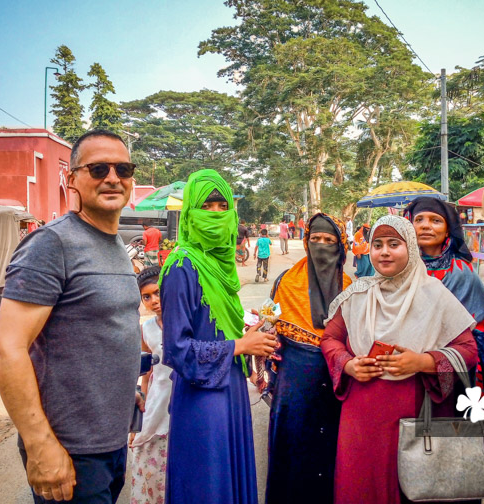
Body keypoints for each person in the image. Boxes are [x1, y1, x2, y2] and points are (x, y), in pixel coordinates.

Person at [0, 129, 142, 504]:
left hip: (111, 444)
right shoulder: (52, 244)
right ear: (71, 179)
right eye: (98, 168)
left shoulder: (115, 245)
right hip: (71, 451)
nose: (112, 177)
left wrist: (130, 390)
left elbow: (104, 331)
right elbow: (7, 350)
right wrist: (40, 445)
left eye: (122, 168)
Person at [321, 215, 478, 504]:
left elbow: (468, 350)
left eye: (394, 244)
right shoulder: (357, 294)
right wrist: (348, 363)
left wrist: (423, 362)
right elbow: (330, 338)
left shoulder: (434, 295)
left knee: (410, 486)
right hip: (361, 415)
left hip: (415, 411)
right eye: (377, 244)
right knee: (360, 485)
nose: (384, 252)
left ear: (411, 249)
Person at [160, 169, 277, 504]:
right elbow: (177, 349)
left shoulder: (220, 266)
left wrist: (250, 336)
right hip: (202, 398)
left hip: (232, 388)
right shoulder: (182, 268)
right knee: (208, 485)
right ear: (189, 214)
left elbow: (213, 328)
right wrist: (241, 345)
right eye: (206, 207)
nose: (214, 215)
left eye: (221, 207)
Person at [266, 213, 352, 504]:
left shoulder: (352, 286)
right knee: (292, 452)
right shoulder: (286, 282)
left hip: (337, 381)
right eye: (315, 239)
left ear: (340, 247)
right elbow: (270, 329)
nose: (321, 246)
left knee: (330, 452)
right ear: (305, 242)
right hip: (294, 382)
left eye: (329, 241)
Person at [403, 197, 484, 403]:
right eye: (419, 220)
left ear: (448, 230)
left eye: (435, 220)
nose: (426, 226)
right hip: (403, 367)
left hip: (454, 369)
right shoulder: (399, 269)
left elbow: (475, 329)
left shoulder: (461, 272)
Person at [130, 267, 172, 504]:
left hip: (183, 402)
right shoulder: (146, 329)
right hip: (157, 403)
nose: (154, 300)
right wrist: (141, 406)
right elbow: (147, 371)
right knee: (149, 460)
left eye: (157, 292)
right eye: (146, 297)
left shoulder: (189, 322)